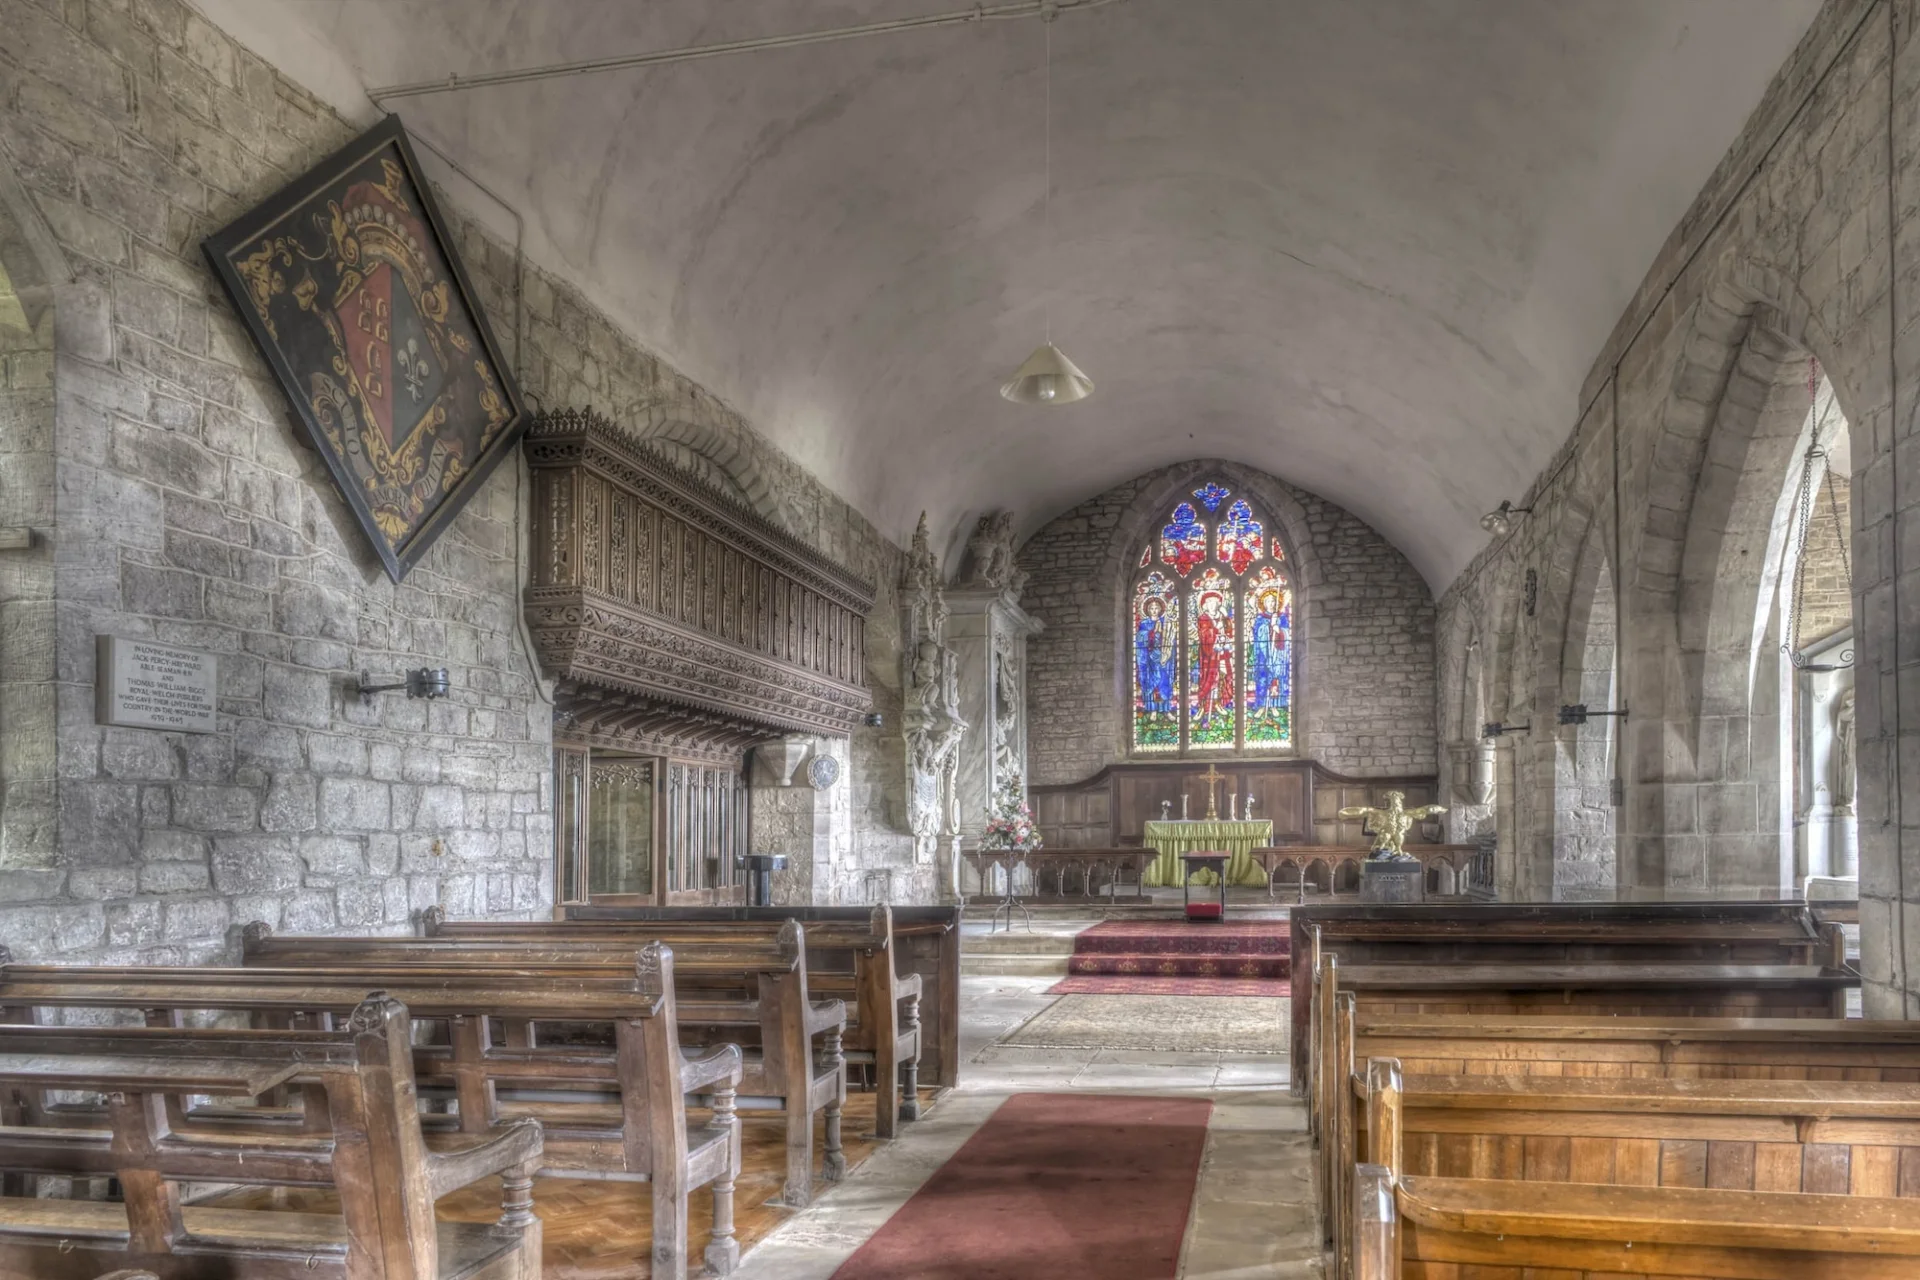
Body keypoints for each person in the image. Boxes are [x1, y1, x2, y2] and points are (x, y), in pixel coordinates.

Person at [1193, 591, 1233, 727]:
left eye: (1214, 602)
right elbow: (1204, 636)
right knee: (1207, 679)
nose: (1212, 605)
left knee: (1221, 676)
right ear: (1205, 605)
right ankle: (1203, 706)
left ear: (1219, 604)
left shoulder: (1222, 616)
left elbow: (1230, 632)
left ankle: (1217, 703)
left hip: (1222, 653)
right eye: (1209, 602)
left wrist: (1226, 618)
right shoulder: (1203, 618)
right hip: (1208, 656)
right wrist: (1216, 628)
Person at [1249, 587, 1290, 711]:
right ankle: (1262, 706)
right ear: (1264, 603)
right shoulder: (1260, 618)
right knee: (1262, 678)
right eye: (1268, 601)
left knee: (1276, 679)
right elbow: (1257, 634)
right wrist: (1268, 627)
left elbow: (1287, 634)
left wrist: (1278, 629)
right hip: (1263, 654)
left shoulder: (1282, 617)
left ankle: (1274, 706)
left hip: (1278, 654)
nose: (1271, 604)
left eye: (1273, 601)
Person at [1135, 596, 1174, 714]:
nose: (1154, 610)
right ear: (1147, 610)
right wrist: (1152, 632)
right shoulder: (1144, 623)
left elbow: (1171, 639)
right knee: (1150, 682)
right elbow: (1139, 639)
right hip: (1149, 659)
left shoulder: (1165, 623)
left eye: (1156, 608)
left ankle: (1165, 709)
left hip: (1163, 658)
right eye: (1151, 608)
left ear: (1161, 609)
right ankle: (1152, 710)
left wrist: (1163, 634)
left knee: (1164, 681)